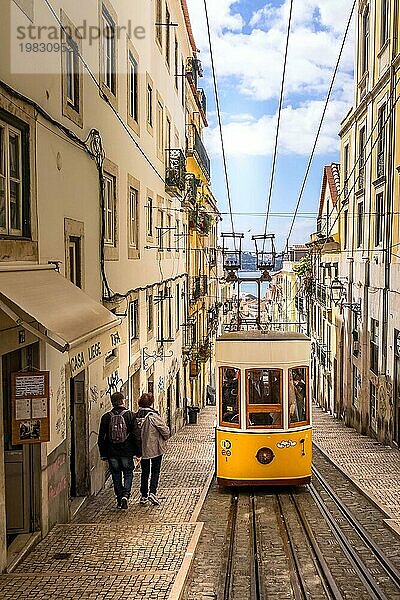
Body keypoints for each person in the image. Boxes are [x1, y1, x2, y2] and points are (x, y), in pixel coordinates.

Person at [98, 391, 142, 510]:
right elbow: (136, 436)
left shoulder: (106, 417)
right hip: (127, 452)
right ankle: (125, 495)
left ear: (112, 403)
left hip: (112, 452)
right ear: (123, 401)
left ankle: (119, 498)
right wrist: (139, 452)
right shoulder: (130, 415)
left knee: (116, 475)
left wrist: (103, 453)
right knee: (128, 473)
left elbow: (101, 437)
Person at [136, 393, 170, 506]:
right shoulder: (153, 416)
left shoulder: (135, 416)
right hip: (155, 448)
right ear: (151, 403)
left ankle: (143, 495)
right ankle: (152, 492)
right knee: (155, 471)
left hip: (142, 450)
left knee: (144, 472)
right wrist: (165, 437)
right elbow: (165, 431)